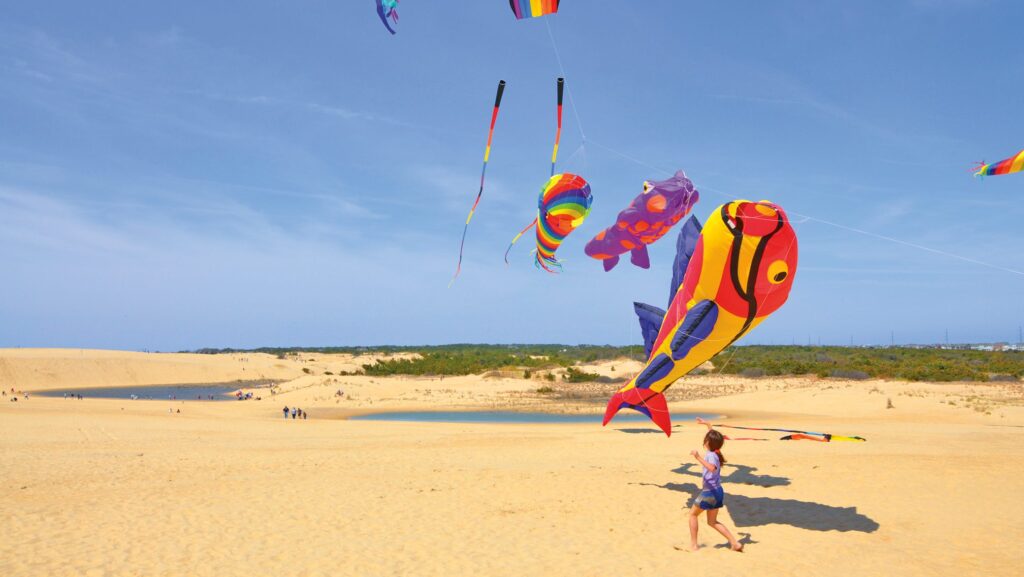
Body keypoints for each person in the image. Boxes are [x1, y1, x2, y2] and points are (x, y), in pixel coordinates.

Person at [677, 421, 743, 553]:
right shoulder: (716, 451)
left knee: (692, 515)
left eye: (706, 439)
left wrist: (697, 457)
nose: (704, 440)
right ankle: (735, 543)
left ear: (708, 443)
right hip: (718, 491)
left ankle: (694, 546)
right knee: (712, 522)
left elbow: (712, 468)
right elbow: (713, 437)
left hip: (710, 493)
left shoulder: (711, 456)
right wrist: (707, 424)